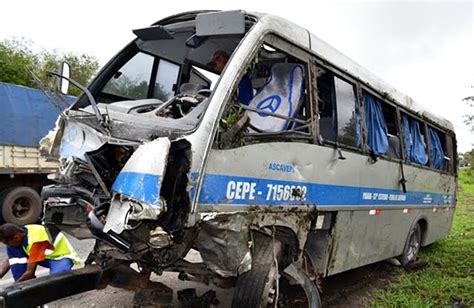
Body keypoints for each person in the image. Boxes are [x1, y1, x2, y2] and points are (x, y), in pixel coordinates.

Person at [0, 223, 80, 282]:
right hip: (42, 255)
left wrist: (13, 288)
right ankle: (27, 288)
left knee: (55, 282)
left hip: (59, 257)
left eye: (7, 243)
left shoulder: (35, 241)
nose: (7, 245)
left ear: (16, 237)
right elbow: (10, 260)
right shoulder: (20, 233)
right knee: (13, 250)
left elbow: (29, 273)